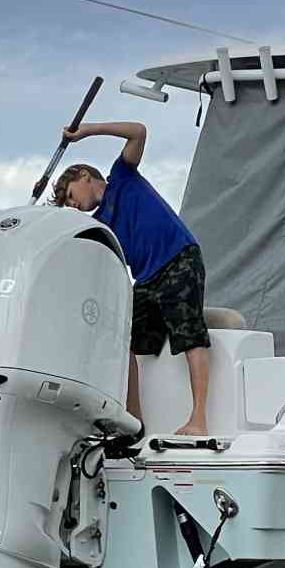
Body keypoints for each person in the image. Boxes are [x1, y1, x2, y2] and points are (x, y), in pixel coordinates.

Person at [52, 120, 209, 437]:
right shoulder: (99, 226)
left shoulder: (121, 178)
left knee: (189, 333)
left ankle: (199, 419)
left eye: (71, 196)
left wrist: (86, 131)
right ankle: (133, 421)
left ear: (85, 176)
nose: (73, 205)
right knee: (124, 343)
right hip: (147, 280)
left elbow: (138, 131)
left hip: (178, 258)